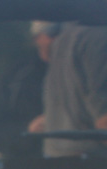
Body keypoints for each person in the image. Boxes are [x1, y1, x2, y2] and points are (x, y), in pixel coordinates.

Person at [30, 22, 107, 157]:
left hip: (62, 161)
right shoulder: (96, 37)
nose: (43, 57)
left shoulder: (69, 40)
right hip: (90, 164)